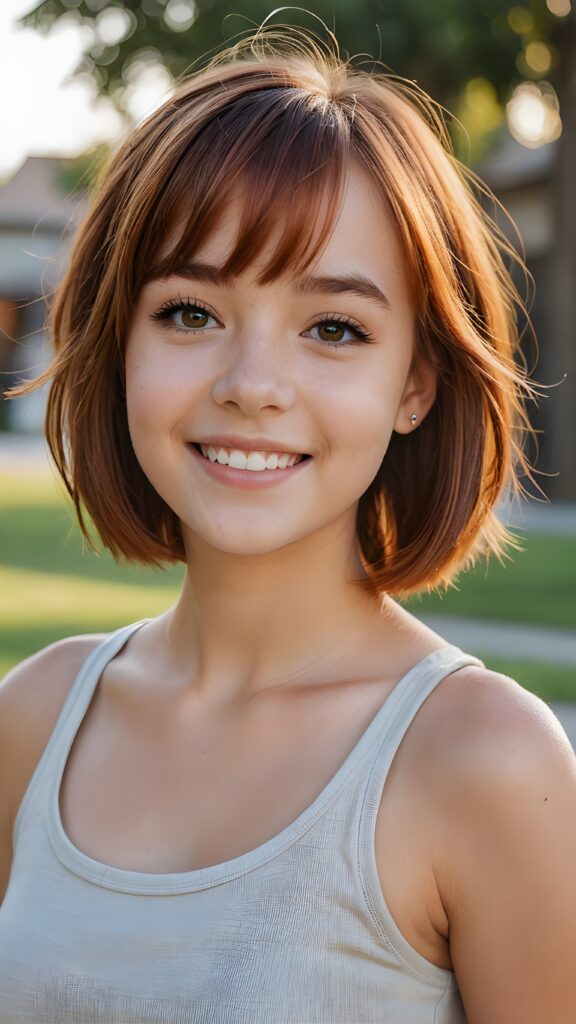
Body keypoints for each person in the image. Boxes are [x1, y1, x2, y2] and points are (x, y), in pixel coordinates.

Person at [1, 24, 575, 1024]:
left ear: (415, 384)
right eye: (189, 311)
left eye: (333, 328)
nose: (252, 385)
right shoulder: (34, 719)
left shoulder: (489, 765)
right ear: (119, 339)